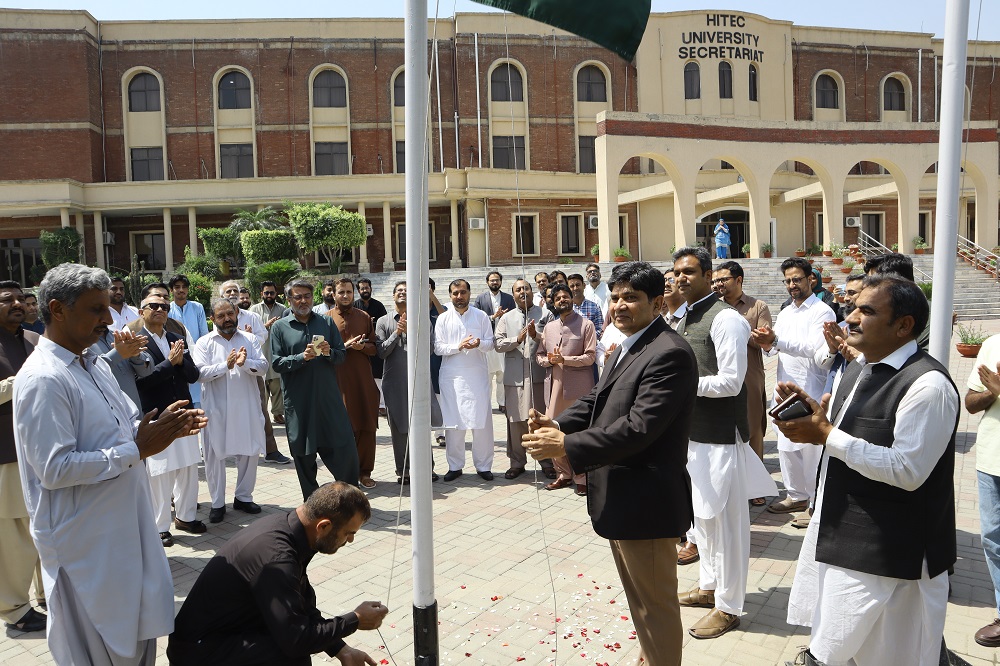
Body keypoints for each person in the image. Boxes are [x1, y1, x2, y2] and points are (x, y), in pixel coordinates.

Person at [14, 262, 206, 665]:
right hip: (85, 545)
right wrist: (136, 449)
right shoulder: (45, 378)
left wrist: (161, 428)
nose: (108, 319)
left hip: (121, 529)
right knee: (101, 651)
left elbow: (122, 428)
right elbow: (55, 469)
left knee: (136, 641)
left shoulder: (93, 364)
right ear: (58, 309)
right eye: (96, 309)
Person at [777, 274, 959, 666]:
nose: (851, 318)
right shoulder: (861, 367)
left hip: (892, 555)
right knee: (842, 647)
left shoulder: (928, 386)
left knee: (891, 653)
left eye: (867, 311)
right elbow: (844, 437)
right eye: (853, 308)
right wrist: (816, 417)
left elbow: (908, 470)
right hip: (844, 536)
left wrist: (826, 434)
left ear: (904, 325)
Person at [523, 261, 697, 666]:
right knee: (641, 601)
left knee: (655, 606)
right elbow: (596, 399)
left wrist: (566, 444)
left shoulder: (669, 353)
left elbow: (639, 428)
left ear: (657, 303)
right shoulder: (629, 344)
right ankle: (651, 656)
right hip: (621, 497)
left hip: (646, 503)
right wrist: (556, 422)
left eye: (631, 298)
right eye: (615, 297)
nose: (619, 305)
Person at [671, 248, 777, 639]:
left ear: (707, 274)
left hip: (721, 438)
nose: (681, 278)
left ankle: (729, 607)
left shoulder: (726, 319)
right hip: (694, 435)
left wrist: (682, 386)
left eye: (689, 272)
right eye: (676, 272)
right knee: (703, 519)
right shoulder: (686, 317)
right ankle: (709, 587)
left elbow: (731, 382)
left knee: (728, 526)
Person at [166, 482, 388, 666]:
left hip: (224, 633)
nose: (351, 540)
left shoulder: (291, 529)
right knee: (292, 655)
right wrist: (355, 620)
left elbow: (300, 606)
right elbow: (297, 640)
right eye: (348, 533)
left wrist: (341, 649)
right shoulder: (277, 556)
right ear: (323, 526)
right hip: (199, 650)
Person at [751, 257, 836, 519]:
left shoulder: (822, 311)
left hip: (810, 388)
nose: (792, 285)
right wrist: (767, 344)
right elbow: (776, 348)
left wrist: (777, 340)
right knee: (787, 446)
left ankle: (815, 503)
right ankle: (796, 496)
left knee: (810, 450)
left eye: (797, 279)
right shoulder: (786, 311)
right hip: (783, 388)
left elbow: (813, 348)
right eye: (787, 281)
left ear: (811, 279)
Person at [270, 279, 358, 500]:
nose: (303, 301)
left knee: (344, 448)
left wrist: (328, 352)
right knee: (303, 454)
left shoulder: (326, 323)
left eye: (307, 296)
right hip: (299, 402)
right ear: (288, 300)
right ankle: (311, 504)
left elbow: (341, 355)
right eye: (297, 297)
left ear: (313, 297)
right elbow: (276, 363)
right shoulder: (280, 327)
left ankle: (350, 502)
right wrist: (302, 357)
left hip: (328, 399)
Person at [135, 293, 205, 546]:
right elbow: (141, 382)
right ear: (141, 311)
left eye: (164, 306)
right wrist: (169, 363)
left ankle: (186, 517)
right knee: (160, 473)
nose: (160, 309)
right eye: (153, 306)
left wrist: (179, 362)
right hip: (157, 415)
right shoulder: (137, 342)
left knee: (188, 467)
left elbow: (193, 375)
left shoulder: (176, 337)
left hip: (184, 411)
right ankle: (160, 526)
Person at [194, 298, 268, 523]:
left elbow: (263, 366)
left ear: (236, 313)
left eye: (230, 314)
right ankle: (217, 503)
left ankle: (243, 497)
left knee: (249, 452)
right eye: (221, 316)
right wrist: (225, 366)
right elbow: (199, 373)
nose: (227, 319)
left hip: (246, 405)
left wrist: (245, 363)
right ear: (212, 319)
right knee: (214, 455)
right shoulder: (204, 342)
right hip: (216, 408)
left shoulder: (250, 339)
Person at [0, 282, 45, 635]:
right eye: (7, 300)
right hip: (5, 455)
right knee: (14, 534)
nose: (17, 304)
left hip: (40, 449)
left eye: (20, 298)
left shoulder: (34, 339)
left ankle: (48, 594)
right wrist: (24, 380)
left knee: (42, 524)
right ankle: (14, 608)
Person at [712, 261, 773, 497]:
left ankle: (755, 488)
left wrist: (735, 330)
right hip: (718, 375)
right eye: (715, 280)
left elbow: (763, 341)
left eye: (723, 279)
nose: (719, 284)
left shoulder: (757, 307)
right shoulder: (712, 307)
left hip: (749, 375)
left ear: (738, 280)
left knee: (753, 428)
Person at [375, 281, 441, 484]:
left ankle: (427, 468)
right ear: (393, 295)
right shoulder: (383, 321)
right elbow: (381, 351)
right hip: (394, 382)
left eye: (406, 290)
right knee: (399, 429)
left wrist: (412, 332)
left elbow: (430, 349)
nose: (403, 293)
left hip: (419, 381)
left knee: (421, 426)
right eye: (399, 290)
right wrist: (397, 333)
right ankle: (403, 471)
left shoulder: (422, 319)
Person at [221, 280, 291, 465]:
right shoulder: (219, 317)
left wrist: (249, 337)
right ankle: (234, 450)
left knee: (261, 412)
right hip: (228, 373)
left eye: (235, 290)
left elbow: (263, 336)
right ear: (222, 296)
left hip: (252, 371)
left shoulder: (251, 316)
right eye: (228, 291)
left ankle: (271, 450)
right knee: (229, 412)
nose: (232, 294)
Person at [536, 283, 596, 496]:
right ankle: (564, 474)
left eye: (565, 296)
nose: (562, 300)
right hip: (554, 387)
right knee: (553, 429)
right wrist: (549, 361)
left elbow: (590, 357)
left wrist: (565, 360)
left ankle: (582, 477)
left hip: (579, 387)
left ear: (572, 298)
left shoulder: (586, 325)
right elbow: (540, 355)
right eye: (558, 298)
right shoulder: (549, 327)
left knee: (579, 432)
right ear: (553, 302)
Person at [434, 279, 496, 481]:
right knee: (453, 423)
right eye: (455, 293)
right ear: (450, 295)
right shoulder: (443, 319)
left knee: (482, 422)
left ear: (469, 293)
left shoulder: (481, 316)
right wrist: (458, 346)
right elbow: (438, 348)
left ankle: (484, 466)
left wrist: (478, 344)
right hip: (452, 378)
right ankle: (455, 465)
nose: (459, 296)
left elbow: (490, 344)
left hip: (477, 376)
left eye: (462, 292)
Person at [494, 279, 553, 480]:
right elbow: (498, 344)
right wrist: (517, 339)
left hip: (538, 376)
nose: (523, 292)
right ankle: (517, 463)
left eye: (526, 288)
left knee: (540, 420)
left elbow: (553, 340)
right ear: (513, 295)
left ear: (531, 291)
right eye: (518, 289)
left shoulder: (545, 314)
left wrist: (536, 335)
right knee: (515, 421)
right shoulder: (506, 318)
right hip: (515, 378)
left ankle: (547, 462)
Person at [964, 330, 1000, 647]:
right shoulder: (992, 345)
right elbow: (971, 403)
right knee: (993, 540)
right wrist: (992, 392)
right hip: (991, 460)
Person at [326, 278, 379, 489]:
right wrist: (344, 346)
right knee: (342, 429)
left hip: (362, 381)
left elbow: (374, 348)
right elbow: (321, 351)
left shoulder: (364, 317)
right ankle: (344, 475)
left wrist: (361, 348)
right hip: (337, 381)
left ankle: (365, 472)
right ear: (333, 294)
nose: (346, 295)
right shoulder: (326, 319)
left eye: (349, 292)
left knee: (367, 426)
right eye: (341, 292)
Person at [474, 271, 515, 413]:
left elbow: (514, 316)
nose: (494, 282)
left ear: (501, 282)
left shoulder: (509, 298)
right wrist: (493, 317)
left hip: (503, 341)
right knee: (487, 375)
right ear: (487, 282)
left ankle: (502, 403)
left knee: (502, 374)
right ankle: (486, 403)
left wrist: (505, 317)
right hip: (487, 341)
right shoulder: (481, 299)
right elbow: (476, 319)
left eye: (497, 280)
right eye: (492, 280)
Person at [249, 281, 287, 424]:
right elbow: (250, 332)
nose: (269, 295)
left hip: (276, 353)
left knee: (277, 386)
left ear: (276, 294)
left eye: (272, 293)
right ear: (261, 294)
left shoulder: (283, 309)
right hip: (260, 353)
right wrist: (265, 326)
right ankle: (262, 415)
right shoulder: (254, 310)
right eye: (266, 293)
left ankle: (277, 413)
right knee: (262, 388)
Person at [91, 323, 152, 411]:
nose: (109, 320)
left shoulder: (119, 335)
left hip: (136, 414)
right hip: (106, 415)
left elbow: (147, 371)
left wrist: (136, 354)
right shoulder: (79, 344)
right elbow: (88, 373)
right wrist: (117, 354)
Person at [168, 274, 209, 406]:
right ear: (171, 290)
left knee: (198, 395)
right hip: (174, 356)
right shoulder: (167, 309)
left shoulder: (197, 307)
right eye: (177, 287)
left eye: (184, 287)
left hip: (196, 356)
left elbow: (204, 334)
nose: (181, 290)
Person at [354, 277, 388, 414]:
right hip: (359, 345)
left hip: (374, 343)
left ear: (371, 289)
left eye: (367, 288)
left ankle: (381, 405)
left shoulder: (378, 306)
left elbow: (384, 322)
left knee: (378, 374)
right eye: (362, 288)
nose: (365, 290)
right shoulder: (354, 306)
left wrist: (373, 322)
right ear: (358, 291)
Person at [568, 273, 603, 338]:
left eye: (578, 285)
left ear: (584, 285)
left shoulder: (594, 307)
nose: (575, 288)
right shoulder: (566, 307)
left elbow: (599, 329)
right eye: (572, 286)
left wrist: (584, 338)